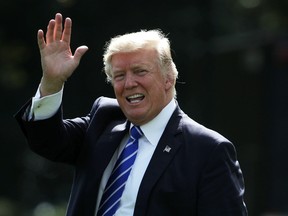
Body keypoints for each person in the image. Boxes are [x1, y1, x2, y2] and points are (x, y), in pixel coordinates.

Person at [15, 13, 248, 216]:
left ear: (169, 78)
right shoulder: (103, 120)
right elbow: (47, 142)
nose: (129, 83)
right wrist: (52, 83)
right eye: (119, 76)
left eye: (140, 71)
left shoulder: (208, 150)